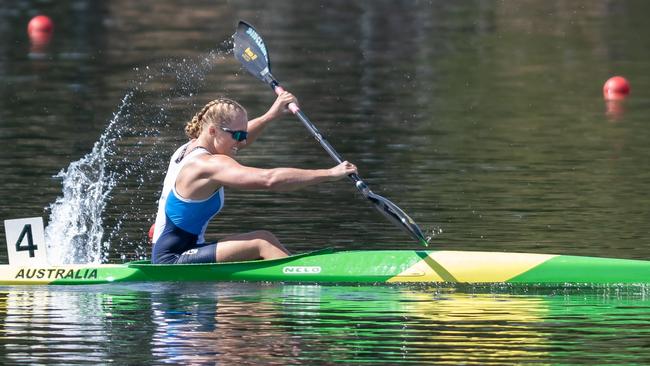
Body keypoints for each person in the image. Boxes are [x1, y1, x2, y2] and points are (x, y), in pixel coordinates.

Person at [151, 92, 357, 264]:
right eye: (238, 136)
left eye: (244, 134)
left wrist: (271, 115)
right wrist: (330, 173)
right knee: (263, 241)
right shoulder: (209, 164)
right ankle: (304, 285)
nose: (242, 142)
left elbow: (236, 137)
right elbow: (270, 179)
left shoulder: (187, 149)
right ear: (213, 131)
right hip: (173, 259)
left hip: (180, 249)